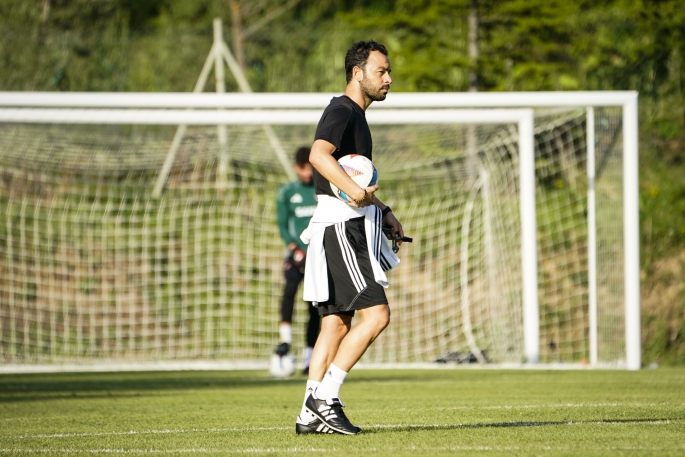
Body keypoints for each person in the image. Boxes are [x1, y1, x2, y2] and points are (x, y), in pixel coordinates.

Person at [294, 40, 404, 435]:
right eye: (381, 71)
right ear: (358, 73)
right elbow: (319, 156)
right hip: (342, 228)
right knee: (377, 315)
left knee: (336, 324)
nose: (388, 78)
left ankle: (308, 415)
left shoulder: (355, 115)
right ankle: (326, 397)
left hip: (341, 225)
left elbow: (353, 179)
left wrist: (382, 209)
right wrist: (358, 196)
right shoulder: (342, 110)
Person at [274, 146, 319, 375]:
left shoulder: (322, 190)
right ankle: (285, 341)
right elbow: (283, 225)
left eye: (310, 168)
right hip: (295, 254)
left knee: (315, 306)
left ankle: (309, 358)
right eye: (303, 169)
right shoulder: (287, 193)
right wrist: (294, 249)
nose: (307, 173)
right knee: (289, 290)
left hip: (318, 256)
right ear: (296, 168)